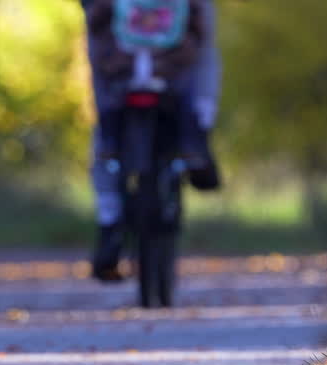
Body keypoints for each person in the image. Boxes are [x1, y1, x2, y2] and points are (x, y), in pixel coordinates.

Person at [81, 0, 223, 283]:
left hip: (121, 65)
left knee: (97, 46)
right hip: (169, 60)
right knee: (203, 45)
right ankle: (196, 134)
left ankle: (109, 221)